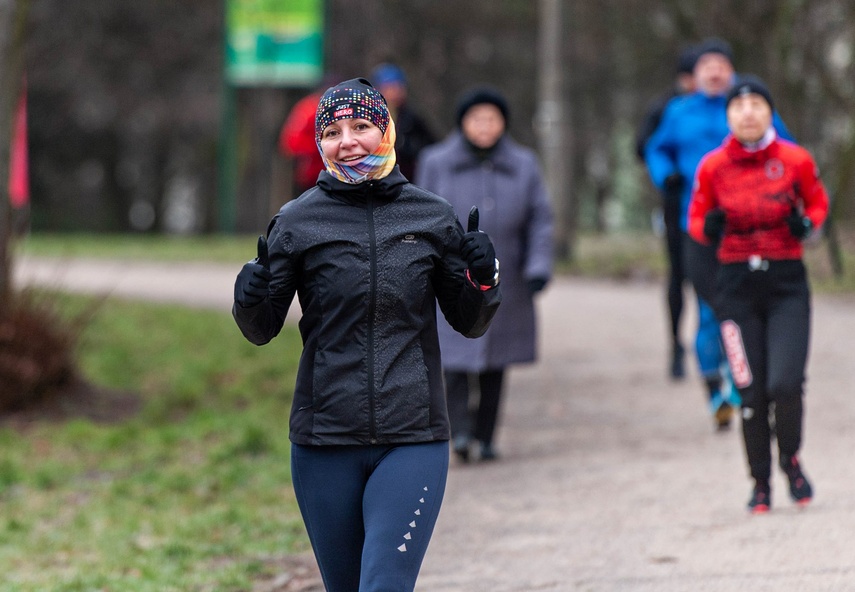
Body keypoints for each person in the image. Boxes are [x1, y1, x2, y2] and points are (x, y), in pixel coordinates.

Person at [233, 78, 501, 592]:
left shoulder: (431, 216)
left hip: (413, 436)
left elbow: (470, 321)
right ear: (319, 144)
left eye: (361, 126)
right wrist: (249, 295)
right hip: (324, 439)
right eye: (332, 131)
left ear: (386, 129)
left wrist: (484, 279)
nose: (348, 140)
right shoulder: (297, 221)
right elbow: (261, 328)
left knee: (383, 585)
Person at [687, 76, 828, 513]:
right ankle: (761, 481)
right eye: (739, 105)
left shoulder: (795, 159)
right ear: (728, 116)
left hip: (786, 286)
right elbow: (695, 218)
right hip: (735, 289)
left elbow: (818, 203)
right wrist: (706, 228)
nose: (748, 112)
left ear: (770, 112)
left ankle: (791, 458)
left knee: (785, 384)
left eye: (757, 104)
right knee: (749, 391)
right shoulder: (712, 166)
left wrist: (808, 225)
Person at [644, 37, 794, 430]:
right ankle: (716, 387)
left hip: (752, 226)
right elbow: (655, 150)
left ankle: (741, 382)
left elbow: (789, 151)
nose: (714, 72)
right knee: (712, 309)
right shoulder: (678, 113)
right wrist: (667, 177)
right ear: (692, 76)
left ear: (732, 71)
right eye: (706, 66)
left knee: (748, 307)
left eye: (721, 65)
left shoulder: (750, 110)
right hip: (698, 227)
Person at [416, 87, 554, 462]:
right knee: (455, 359)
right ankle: (459, 432)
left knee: (497, 361)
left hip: (504, 274)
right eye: (476, 118)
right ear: (462, 123)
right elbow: (419, 214)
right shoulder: (436, 161)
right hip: (451, 278)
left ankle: (486, 434)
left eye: (492, 118)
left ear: (504, 124)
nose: (484, 126)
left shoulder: (524, 164)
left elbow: (540, 219)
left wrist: (538, 266)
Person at [635, 44, 699, 380]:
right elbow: (641, 146)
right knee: (679, 276)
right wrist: (667, 174)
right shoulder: (666, 107)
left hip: (715, 209)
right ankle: (675, 345)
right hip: (677, 206)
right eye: (690, 76)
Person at [369, 62, 436, 181]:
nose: (393, 93)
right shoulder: (369, 117)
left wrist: (407, 147)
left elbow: (431, 146)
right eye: (388, 88)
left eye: (397, 87)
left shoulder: (411, 119)